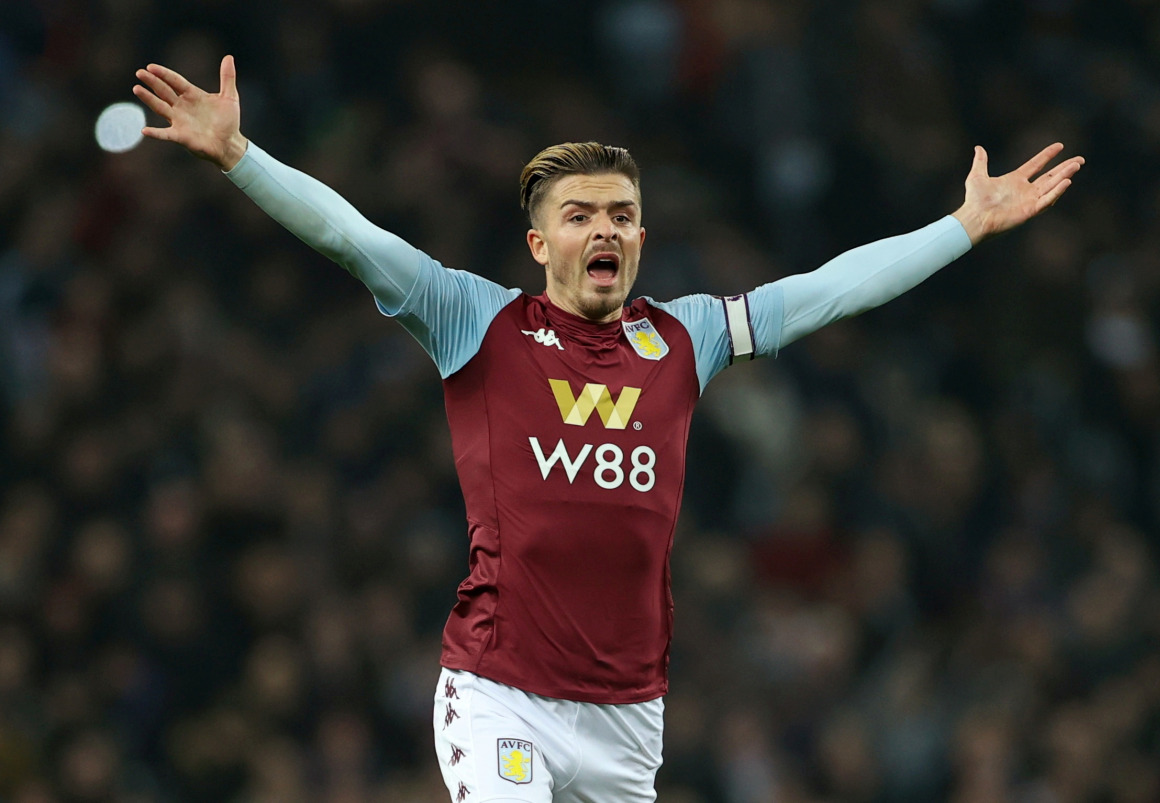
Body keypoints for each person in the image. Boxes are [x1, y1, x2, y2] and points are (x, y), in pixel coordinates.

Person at [133, 54, 1083, 803]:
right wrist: (241, 157)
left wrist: (962, 225)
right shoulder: (476, 320)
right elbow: (352, 237)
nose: (605, 230)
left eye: (622, 216)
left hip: (629, 712)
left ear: (641, 238)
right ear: (540, 243)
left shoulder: (686, 337)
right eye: (580, 215)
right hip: (501, 691)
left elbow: (826, 291)